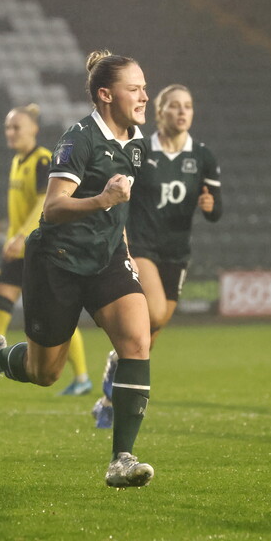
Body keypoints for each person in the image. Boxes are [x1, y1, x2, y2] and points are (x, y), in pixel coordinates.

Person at [0, 50, 155, 488]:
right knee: (45, 373)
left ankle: (121, 460)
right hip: (58, 262)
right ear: (106, 95)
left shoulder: (134, 141)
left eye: (144, 87)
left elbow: (120, 209)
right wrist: (101, 201)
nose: (145, 95)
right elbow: (53, 208)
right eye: (136, 89)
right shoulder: (79, 139)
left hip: (106, 257)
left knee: (136, 340)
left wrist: (123, 248)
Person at [91, 84, 222, 428]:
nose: (182, 112)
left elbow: (216, 209)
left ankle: (108, 398)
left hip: (176, 253)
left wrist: (210, 206)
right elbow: (121, 194)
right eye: (175, 106)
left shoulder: (203, 156)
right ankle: (117, 396)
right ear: (160, 112)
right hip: (142, 245)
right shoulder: (140, 149)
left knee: (151, 333)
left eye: (188, 106)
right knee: (156, 312)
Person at [0, 104, 91, 399]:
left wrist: (21, 235)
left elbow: (43, 203)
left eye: (17, 127)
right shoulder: (17, 161)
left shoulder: (42, 161)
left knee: (57, 320)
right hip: (15, 254)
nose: (10, 133)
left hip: (38, 250)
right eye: (8, 128)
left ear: (34, 129)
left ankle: (83, 377)